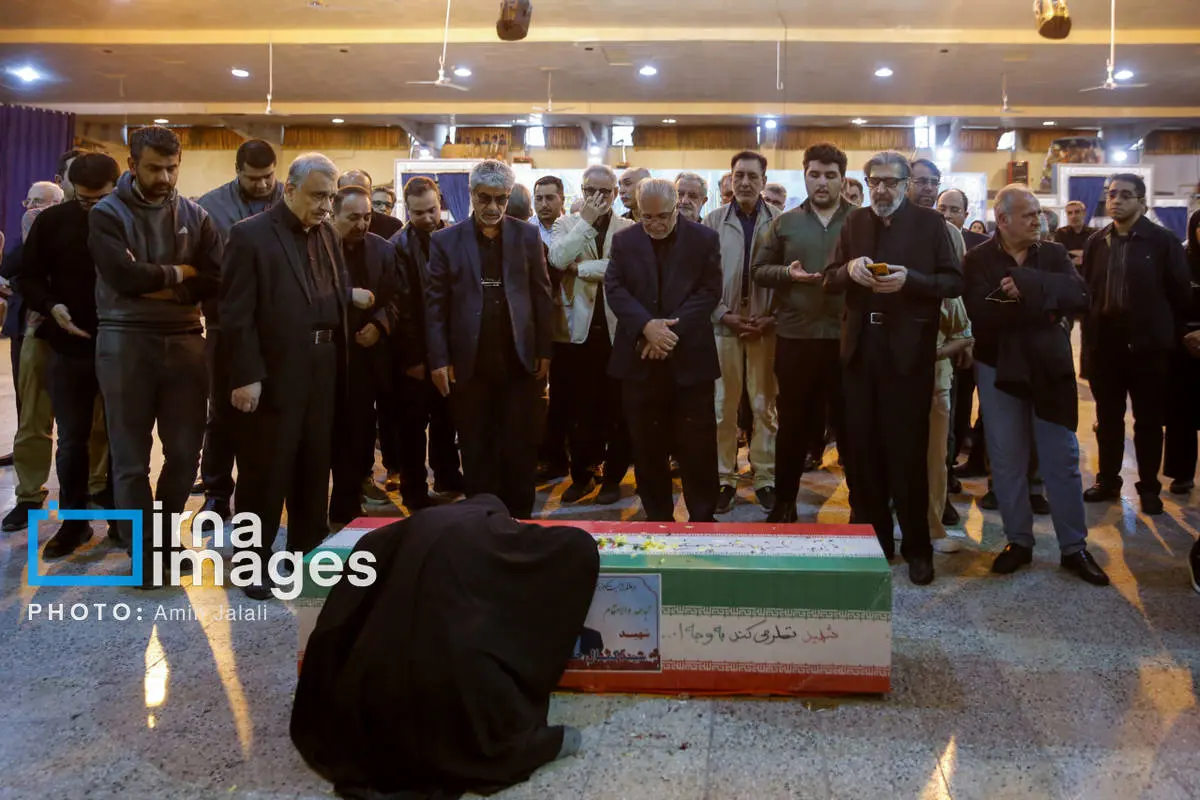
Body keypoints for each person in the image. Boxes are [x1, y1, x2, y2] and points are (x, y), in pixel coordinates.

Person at [291, 495, 597, 799]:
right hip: (453, 703)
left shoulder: (390, 535)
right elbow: (575, 547)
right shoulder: (493, 535)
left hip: (365, 699)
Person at [222, 153, 365, 599]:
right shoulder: (249, 235)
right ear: (289, 189)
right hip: (274, 369)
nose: (325, 206)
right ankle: (252, 561)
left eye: (330, 197)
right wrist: (246, 374)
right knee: (265, 469)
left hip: (323, 364)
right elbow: (235, 313)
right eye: (318, 196)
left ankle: (307, 549)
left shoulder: (327, 233)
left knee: (313, 465)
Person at [89, 126, 222, 586]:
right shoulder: (107, 213)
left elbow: (214, 279)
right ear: (132, 165)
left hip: (185, 339)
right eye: (153, 168)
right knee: (130, 459)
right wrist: (181, 275)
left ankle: (164, 539)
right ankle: (143, 551)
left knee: (185, 454)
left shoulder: (196, 215)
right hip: (124, 339)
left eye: (171, 167)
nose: (164, 177)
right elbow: (123, 277)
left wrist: (156, 282)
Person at [823, 150, 963, 586]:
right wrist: (849, 269)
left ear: (906, 184)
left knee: (907, 452)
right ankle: (877, 541)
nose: (881, 190)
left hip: (908, 353)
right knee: (863, 452)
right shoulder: (855, 222)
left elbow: (953, 281)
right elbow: (829, 279)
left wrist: (911, 281)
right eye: (874, 182)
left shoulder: (930, 224)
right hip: (860, 351)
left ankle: (917, 547)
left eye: (890, 182)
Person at [963, 185, 1109, 585]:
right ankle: (1019, 541)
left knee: (1061, 457)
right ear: (1003, 219)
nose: (1038, 221)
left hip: (1049, 367)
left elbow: (1080, 296)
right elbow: (980, 313)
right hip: (997, 367)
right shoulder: (977, 259)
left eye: (1039, 214)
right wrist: (1045, 307)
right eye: (1028, 214)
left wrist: (1025, 284)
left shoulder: (1054, 254)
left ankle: (1074, 547)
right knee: (1006, 457)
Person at [425, 160, 554, 519]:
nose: (493, 207)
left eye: (501, 198)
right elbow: (435, 305)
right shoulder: (445, 240)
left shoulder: (527, 236)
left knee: (520, 445)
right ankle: (481, 523)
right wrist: (439, 359)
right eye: (485, 198)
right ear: (471, 195)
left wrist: (544, 349)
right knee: (475, 445)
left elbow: (542, 295)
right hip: (469, 361)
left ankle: (519, 520)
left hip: (519, 358)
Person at [14, 153, 122, 557]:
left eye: (100, 199)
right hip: (69, 345)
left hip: (123, 345)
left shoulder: (133, 219)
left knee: (122, 440)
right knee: (73, 441)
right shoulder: (54, 221)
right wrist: (50, 304)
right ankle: (74, 524)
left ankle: (122, 521)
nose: (91, 207)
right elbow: (27, 275)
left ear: (117, 186)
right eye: (83, 198)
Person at [605, 178, 722, 522]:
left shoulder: (704, 239)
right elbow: (615, 287)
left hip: (690, 359)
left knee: (698, 447)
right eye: (647, 217)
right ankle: (657, 517)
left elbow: (709, 291)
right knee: (647, 447)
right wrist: (646, 326)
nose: (655, 224)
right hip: (639, 357)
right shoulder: (624, 240)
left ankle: (703, 517)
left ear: (677, 208)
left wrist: (667, 333)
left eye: (663, 217)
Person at [752, 142, 854, 523]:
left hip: (848, 340)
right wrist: (787, 274)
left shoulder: (861, 221)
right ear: (805, 176)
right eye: (815, 174)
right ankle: (785, 501)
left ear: (842, 179)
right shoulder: (784, 223)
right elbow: (759, 270)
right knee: (792, 424)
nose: (822, 182)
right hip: (796, 337)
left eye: (830, 175)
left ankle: (863, 503)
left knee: (851, 425)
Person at [1080, 173, 1193, 515]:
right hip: (1106, 346)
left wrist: (1162, 333)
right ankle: (1108, 480)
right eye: (1111, 194)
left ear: (1142, 202)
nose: (1115, 200)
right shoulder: (1097, 242)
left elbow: (1180, 295)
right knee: (1108, 419)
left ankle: (1148, 487)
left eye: (1125, 195)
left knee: (1148, 422)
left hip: (1148, 347)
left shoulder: (1162, 241)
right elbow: (1088, 291)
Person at [196, 138, 284, 519]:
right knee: (222, 413)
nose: (262, 185)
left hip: (278, 326)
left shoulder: (290, 198)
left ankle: (264, 487)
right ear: (237, 172)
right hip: (226, 324)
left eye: (268, 177)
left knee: (273, 411)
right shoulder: (209, 207)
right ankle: (216, 492)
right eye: (253, 178)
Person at [548, 164, 636, 504]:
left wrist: (581, 268)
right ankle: (582, 474)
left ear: (615, 194)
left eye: (604, 191)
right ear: (581, 192)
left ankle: (613, 477)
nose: (597, 197)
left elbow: (625, 270)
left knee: (618, 411)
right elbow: (558, 259)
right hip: (577, 333)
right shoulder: (565, 224)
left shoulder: (628, 228)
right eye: (590, 191)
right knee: (579, 411)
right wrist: (585, 221)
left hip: (617, 331)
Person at [328, 186, 416, 524]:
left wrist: (379, 325)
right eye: (353, 218)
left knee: (360, 431)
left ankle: (349, 502)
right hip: (327, 353)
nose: (362, 224)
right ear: (333, 215)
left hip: (369, 357)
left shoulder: (383, 249)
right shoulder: (319, 248)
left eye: (366, 217)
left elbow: (397, 298)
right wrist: (348, 297)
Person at [703, 151, 780, 514]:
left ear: (764, 180)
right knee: (722, 408)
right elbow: (701, 278)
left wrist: (772, 317)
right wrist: (723, 314)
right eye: (739, 176)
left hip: (765, 328)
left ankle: (765, 477)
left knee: (764, 406)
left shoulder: (780, 221)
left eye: (752, 176)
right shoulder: (713, 221)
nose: (745, 182)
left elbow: (789, 277)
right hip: (724, 326)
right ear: (730, 179)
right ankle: (724, 477)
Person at [388, 177, 462, 508]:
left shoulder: (454, 236)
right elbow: (402, 308)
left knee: (447, 418)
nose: (428, 218)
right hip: (415, 349)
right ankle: (414, 490)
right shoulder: (397, 246)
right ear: (407, 210)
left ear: (440, 203)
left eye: (432, 210)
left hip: (450, 346)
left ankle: (448, 476)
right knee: (413, 425)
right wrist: (413, 358)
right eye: (419, 213)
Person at [531, 175, 571, 480]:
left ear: (562, 200)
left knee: (565, 395)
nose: (544, 204)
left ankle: (564, 455)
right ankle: (541, 455)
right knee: (535, 395)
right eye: (539, 198)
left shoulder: (572, 229)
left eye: (550, 197)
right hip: (535, 325)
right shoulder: (524, 231)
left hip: (569, 324)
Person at [1164, 209, 1200, 495]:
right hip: (1182, 344)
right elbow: (1165, 302)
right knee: (1181, 412)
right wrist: (1183, 335)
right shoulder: (1180, 260)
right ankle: (1182, 473)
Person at [338, 169, 403, 239]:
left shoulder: (393, 226)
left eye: (362, 191)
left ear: (370, 193)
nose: (355, 197)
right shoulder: (331, 226)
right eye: (350, 191)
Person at [1054, 200, 1093, 269]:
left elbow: (1097, 254)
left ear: (1084, 213)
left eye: (1077, 212)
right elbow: (1058, 255)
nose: (1073, 216)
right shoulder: (1060, 233)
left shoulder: (1094, 233)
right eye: (1070, 213)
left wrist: (1069, 252)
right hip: (1067, 272)